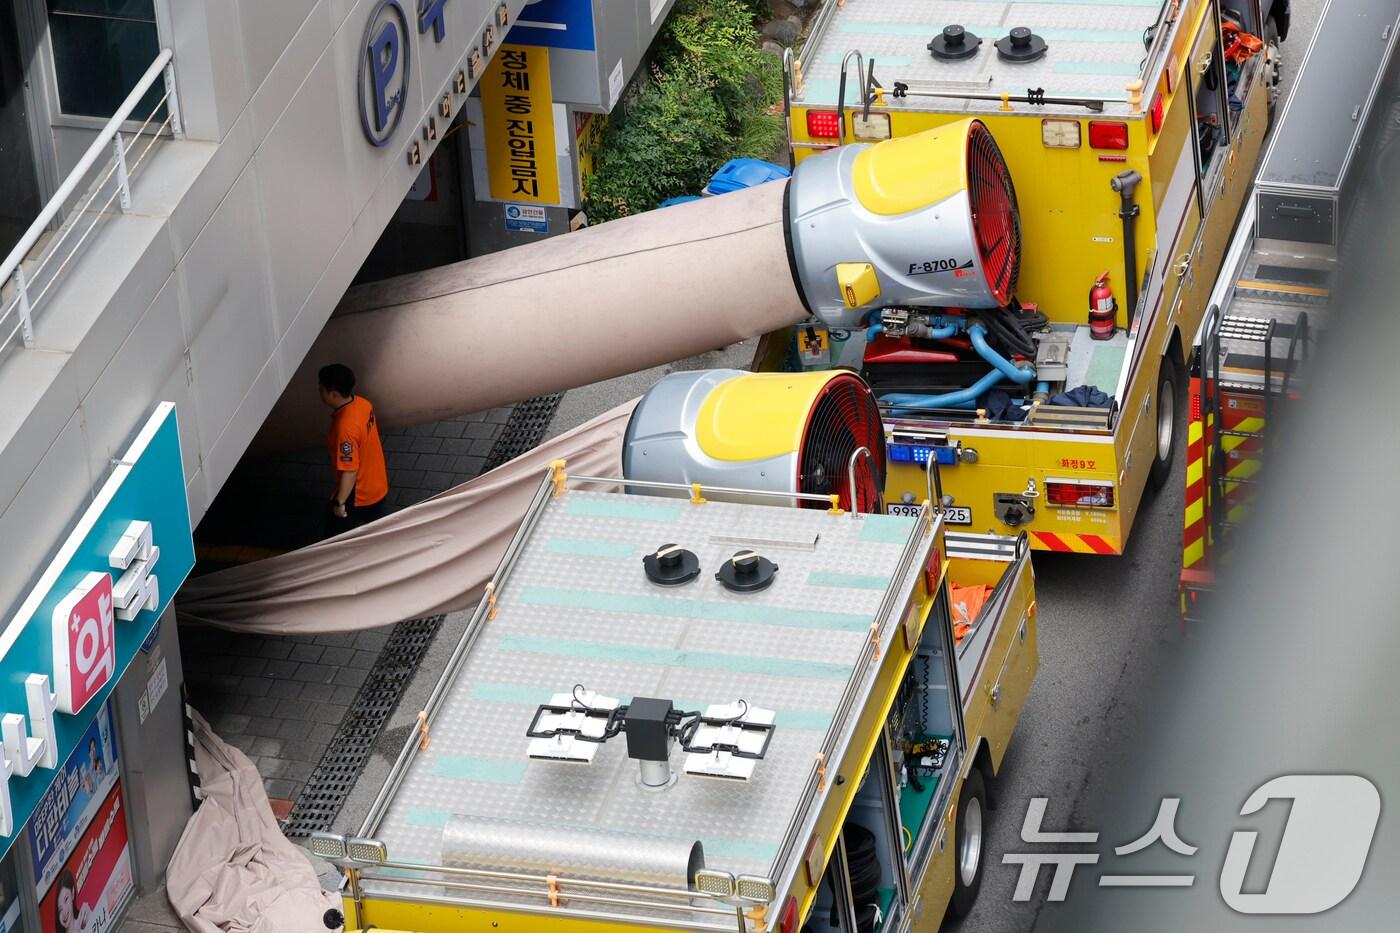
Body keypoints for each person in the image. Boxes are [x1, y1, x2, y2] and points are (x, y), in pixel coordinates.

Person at [318, 364, 389, 539]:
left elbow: (350, 470)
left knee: (333, 538)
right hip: (378, 484)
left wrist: (339, 502)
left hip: (359, 494)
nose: (319, 392)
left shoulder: (345, 429)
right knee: (380, 532)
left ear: (332, 393)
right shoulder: (363, 404)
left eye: (321, 388)